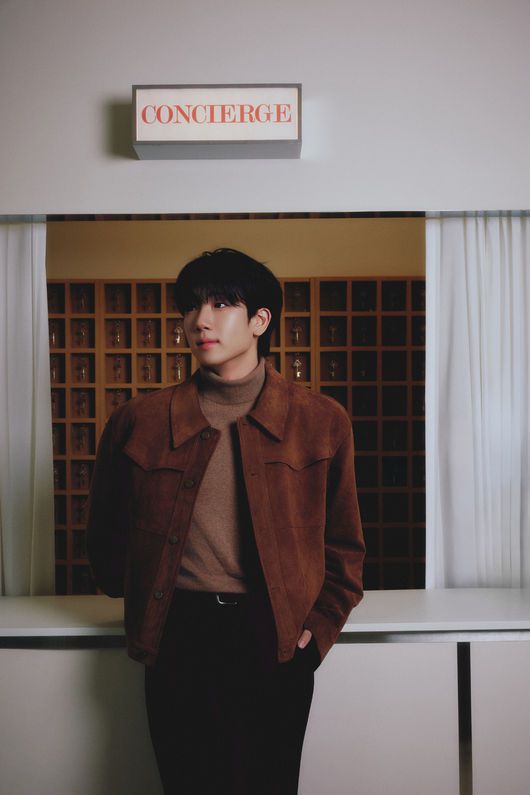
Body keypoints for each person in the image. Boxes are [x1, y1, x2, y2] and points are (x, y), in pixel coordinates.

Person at [87, 248, 365, 795]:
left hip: (273, 635)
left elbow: (345, 550)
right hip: (178, 633)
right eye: (191, 307)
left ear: (260, 320)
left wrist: (316, 634)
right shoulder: (138, 421)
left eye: (220, 304)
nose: (200, 321)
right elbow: (105, 542)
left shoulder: (321, 422)